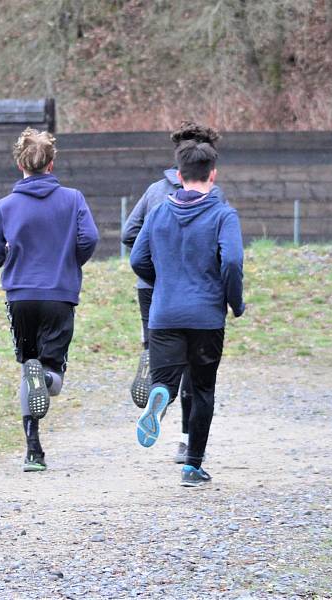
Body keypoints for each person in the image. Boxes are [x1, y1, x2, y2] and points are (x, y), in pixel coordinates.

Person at [130, 138, 244, 487]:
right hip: (206, 317)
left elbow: (137, 259)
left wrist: (163, 282)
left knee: (166, 380)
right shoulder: (223, 214)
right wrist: (234, 302)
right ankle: (192, 466)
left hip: (164, 314)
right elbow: (233, 262)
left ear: (178, 175)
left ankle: (160, 395)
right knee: (202, 389)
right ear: (213, 174)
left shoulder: (159, 212)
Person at [0, 128, 99, 472]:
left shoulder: (5, 206)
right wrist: (70, 258)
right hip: (59, 295)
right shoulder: (74, 199)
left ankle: (33, 451)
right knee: (52, 375)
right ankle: (45, 379)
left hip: (20, 297)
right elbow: (89, 238)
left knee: (26, 368)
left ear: (20, 163)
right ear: (51, 164)